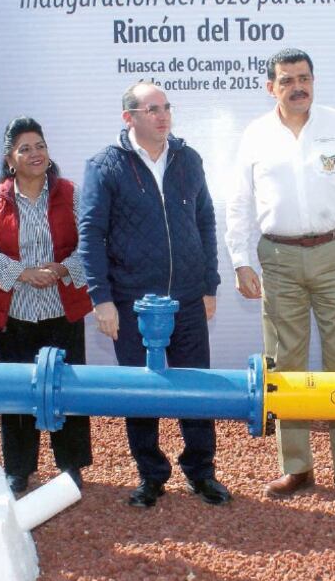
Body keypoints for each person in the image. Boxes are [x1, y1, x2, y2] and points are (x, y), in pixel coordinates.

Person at [226, 48, 335, 506]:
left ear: (314, 80)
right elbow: (238, 202)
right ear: (269, 86)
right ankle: (296, 468)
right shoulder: (255, 135)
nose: (298, 86)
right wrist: (240, 260)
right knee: (285, 364)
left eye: (304, 77)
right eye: (287, 79)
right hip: (277, 258)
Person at [78, 82, 230, 508]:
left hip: (186, 297)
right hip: (132, 303)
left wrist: (208, 284)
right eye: (151, 109)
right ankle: (151, 475)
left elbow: (205, 222)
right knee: (140, 391)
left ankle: (202, 472)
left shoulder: (189, 159)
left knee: (196, 387)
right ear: (129, 117)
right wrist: (101, 298)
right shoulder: (105, 165)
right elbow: (91, 234)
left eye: (166, 107)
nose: (162, 116)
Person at [0, 116, 93, 492]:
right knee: (17, 390)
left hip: (62, 309)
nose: (35, 153)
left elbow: (90, 245)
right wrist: (23, 273)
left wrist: (61, 268)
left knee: (66, 389)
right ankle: (19, 468)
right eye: (25, 148)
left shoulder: (70, 193)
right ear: (11, 159)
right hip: (15, 313)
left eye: (40, 145)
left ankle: (71, 465)